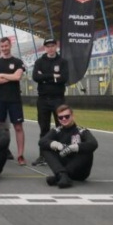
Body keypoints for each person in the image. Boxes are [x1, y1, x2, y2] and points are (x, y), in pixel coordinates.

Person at [38, 105, 98, 188]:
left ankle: (60, 176)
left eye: (67, 116)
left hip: (80, 171)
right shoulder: (56, 130)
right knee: (45, 148)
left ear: (72, 116)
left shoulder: (81, 130)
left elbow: (93, 143)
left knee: (87, 149)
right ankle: (62, 175)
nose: (64, 119)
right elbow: (42, 142)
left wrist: (73, 147)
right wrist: (58, 145)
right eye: (60, 117)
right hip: (63, 165)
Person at [31, 38, 69, 166]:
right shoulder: (39, 61)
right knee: (44, 129)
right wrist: (53, 76)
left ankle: (62, 154)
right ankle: (43, 155)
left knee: (61, 127)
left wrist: (45, 77)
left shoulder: (62, 62)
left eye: (52, 45)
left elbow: (64, 78)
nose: (50, 48)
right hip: (43, 100)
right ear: (45, 48)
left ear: (56, 46)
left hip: (58, 99)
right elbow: (36, 77)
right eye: (48, 46)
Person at [0, 37, 27, 165]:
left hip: (14, 99)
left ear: (10, 45)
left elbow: (17, 76)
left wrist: (2, 75)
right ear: (0, 47)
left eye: (6, 46)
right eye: (2, 46)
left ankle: (20, 155)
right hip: (0, 99)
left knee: (18, 127)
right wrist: (10, 77)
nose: (4, 48)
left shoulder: (17, 62)